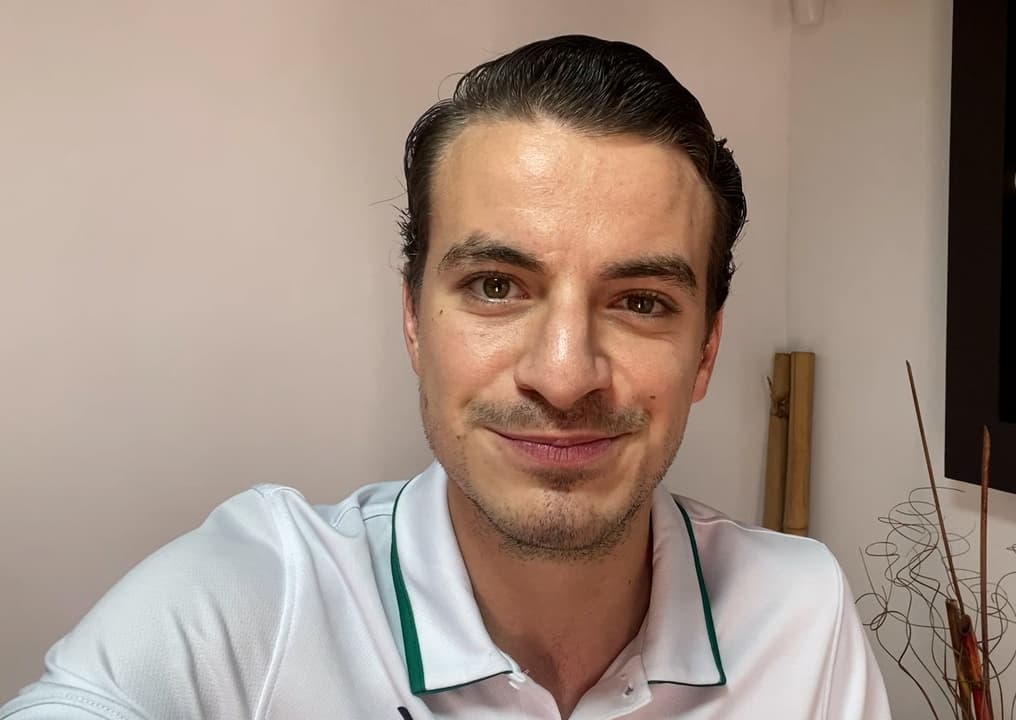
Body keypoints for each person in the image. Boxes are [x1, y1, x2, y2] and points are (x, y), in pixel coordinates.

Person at [1, 35, 890, 719]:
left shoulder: (798, 613)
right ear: (413, 322)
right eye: (497, 287)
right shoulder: (251, 603)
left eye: (640, 301)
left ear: (705, 353)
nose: (564, 376)